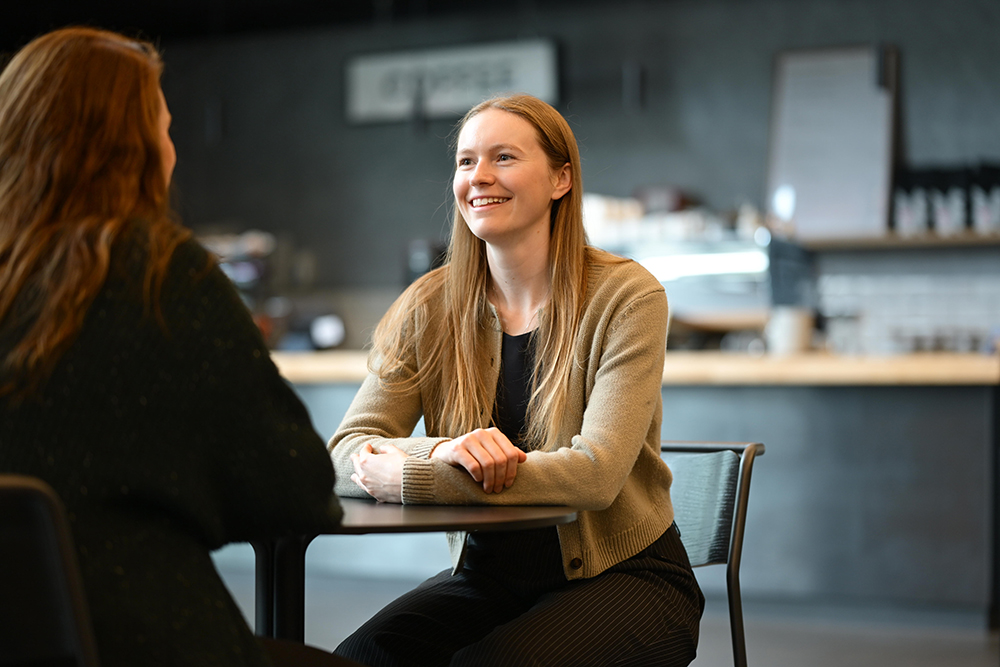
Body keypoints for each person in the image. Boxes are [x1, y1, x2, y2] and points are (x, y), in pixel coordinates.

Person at [0, 27, 360, 667]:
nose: (173, 152)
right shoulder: (162, 276)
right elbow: (296, 490)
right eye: (164, 130)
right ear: (130, 149)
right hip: (143, 639)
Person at [328, 94, 704, 667]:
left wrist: (417, 476)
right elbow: (343, 454)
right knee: (360, 658)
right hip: (489, 578)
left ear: (561, 179)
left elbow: (597, 476)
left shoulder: (628, 297)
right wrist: (444, 450)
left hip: (627, 577)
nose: (479, 176)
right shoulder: (427, 307)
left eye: (504, 157)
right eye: (464, 161)